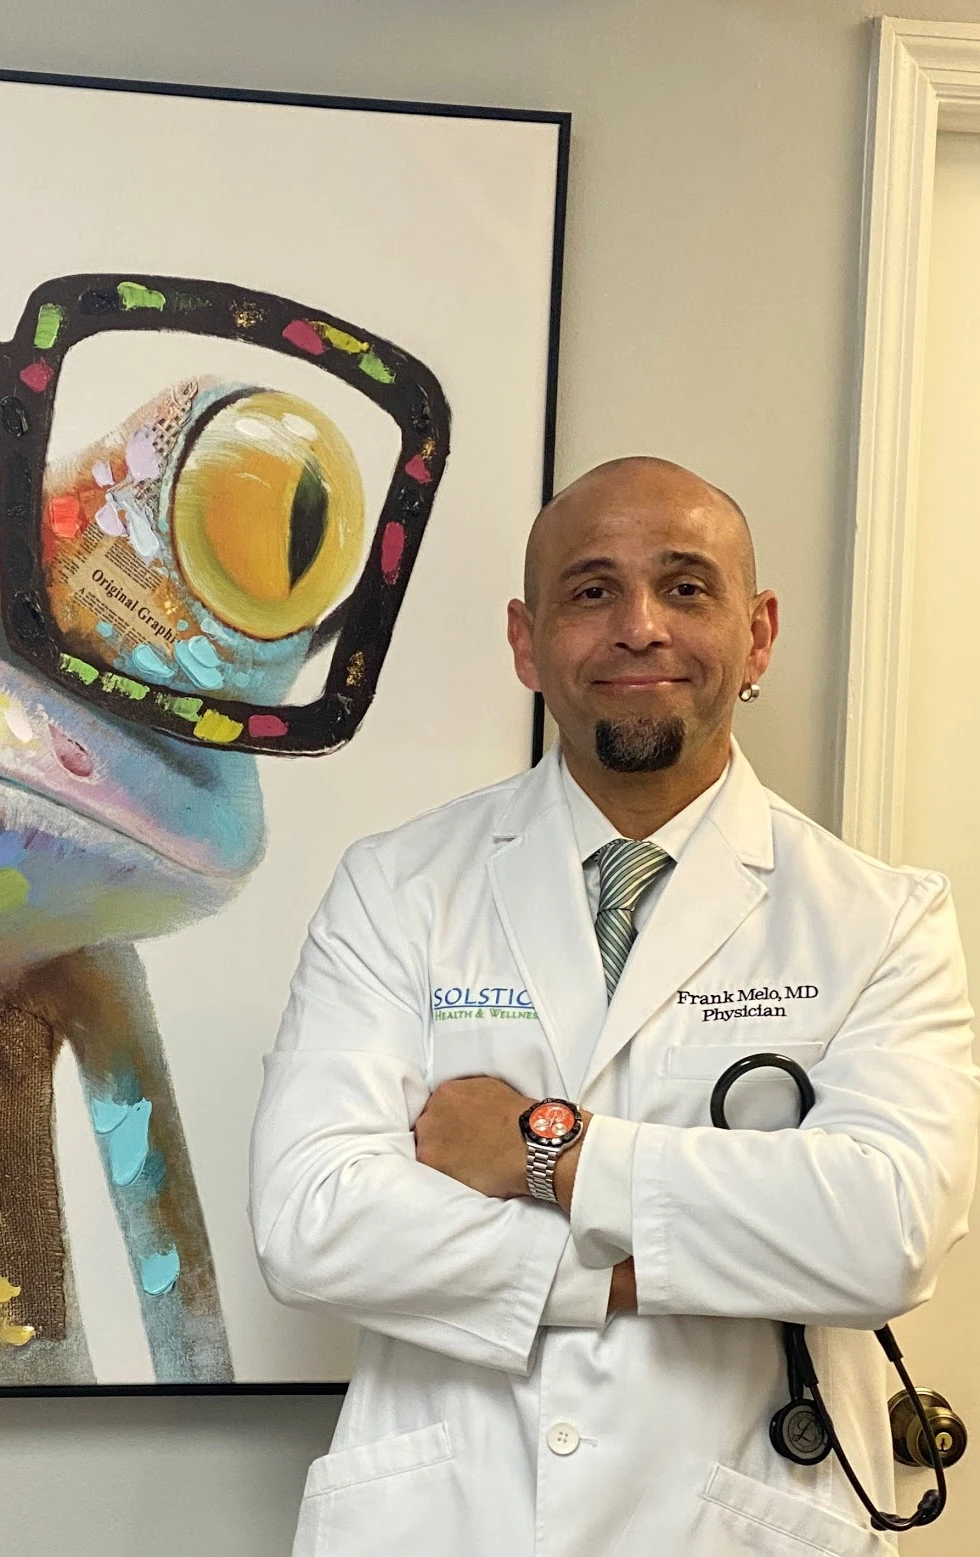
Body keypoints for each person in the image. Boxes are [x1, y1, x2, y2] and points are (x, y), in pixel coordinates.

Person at [249, 457, 980, 1555]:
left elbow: (884, 1234)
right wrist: (632, 1274)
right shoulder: (397, 887)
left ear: (758, 635)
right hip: (451, 1517)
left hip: (736, 1520)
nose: (640, 626)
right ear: (526, 642)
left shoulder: (879, 919)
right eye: (591, 591)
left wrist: (545, 1151)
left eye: (686, 587)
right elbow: (312, 1221)